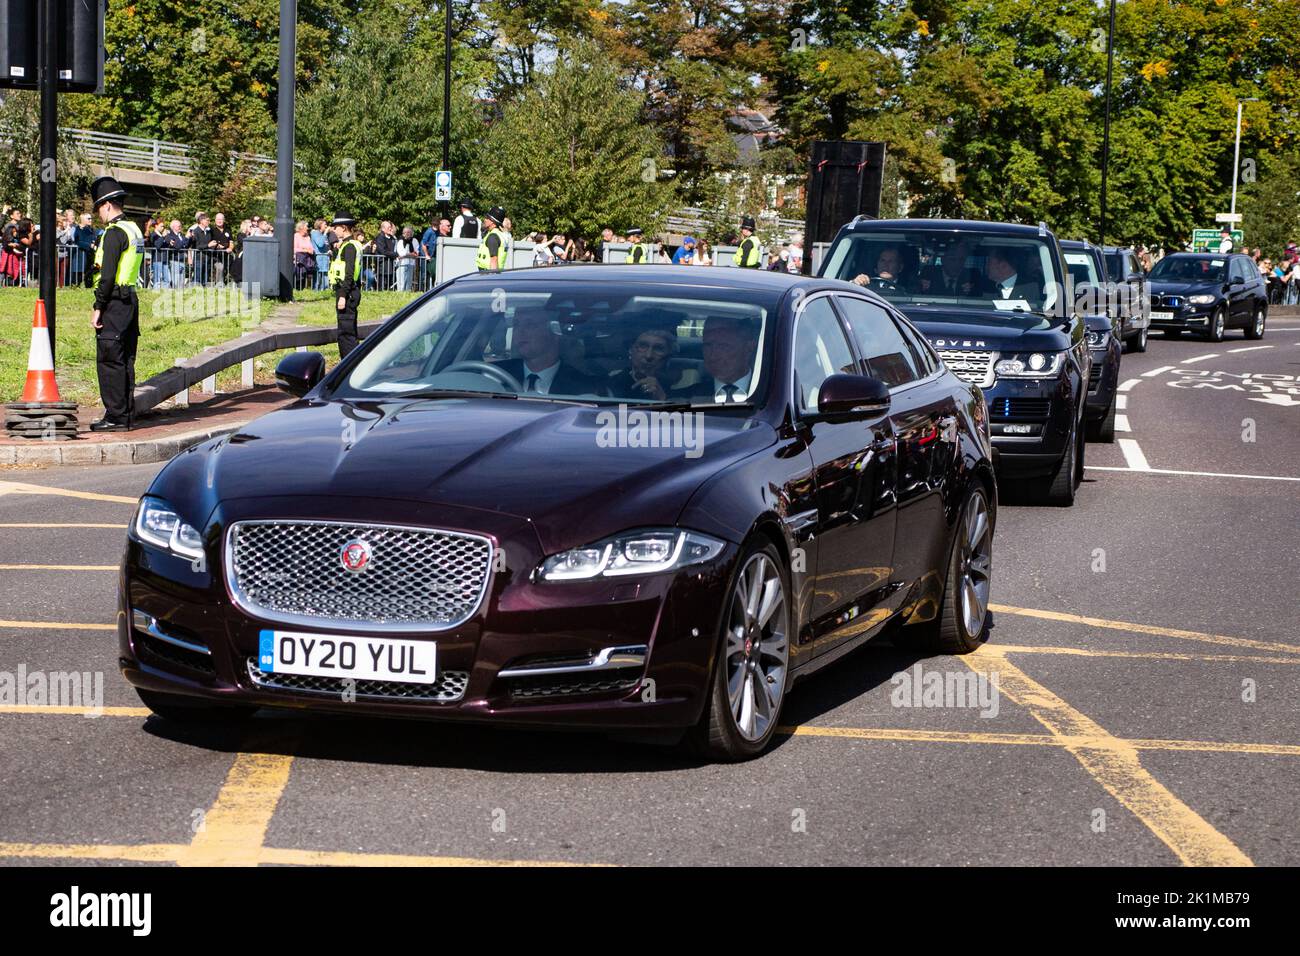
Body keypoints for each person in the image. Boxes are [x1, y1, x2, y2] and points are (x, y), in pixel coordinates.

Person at [88, 176, 144, 431]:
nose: (98, 214)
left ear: (108, 205)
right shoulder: (134, 230)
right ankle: (126, 414)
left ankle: (115, 417)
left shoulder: (113, 234)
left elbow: (107, 275)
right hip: (130, 300)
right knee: (125, 360)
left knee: (110, 360)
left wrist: (98, 306)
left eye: (98, 208)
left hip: (114, 303)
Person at [492, 309, 607, 395]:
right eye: (516, 324)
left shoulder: (585, 387)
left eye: (530, 325)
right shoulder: (493, 374)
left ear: (555, 333)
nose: (519, 332)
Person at [669, 315, 759, 402]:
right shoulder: (683, 399)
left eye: (723, 346)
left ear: (749, 347)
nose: (713, 356)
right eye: (707, 345)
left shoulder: (770, 392)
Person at [327, 212, 364, 358]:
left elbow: (348, 274)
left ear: (343, 227)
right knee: (348, 332)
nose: (334, 230)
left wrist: (342, 295)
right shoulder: (351, 245)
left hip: (347, 293)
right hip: (351, 291)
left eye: (336, 227)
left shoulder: (349, 247)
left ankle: (348, 367)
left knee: (346, 334)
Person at [610, 327, 677, 399]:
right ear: (630, 350)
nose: (648, 355)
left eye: (658, 348)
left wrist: (662, 398)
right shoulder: (611, 383)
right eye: (642, 346)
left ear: (668, 355)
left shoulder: (679, 388)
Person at [475, 206, 508, 272]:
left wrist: (492, 278)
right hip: (488, 274)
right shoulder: (496, 234)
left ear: (493, 222)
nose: (485, 219)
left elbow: (494, 259)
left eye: (487, 218)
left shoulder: (493, 237)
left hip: (488, 274)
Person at [395, 225, 420, 291]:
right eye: (405, 232)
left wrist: (407, 255)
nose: (407, 234)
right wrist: (410, 254)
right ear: (403, 233)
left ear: (412, 233)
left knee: (409, 283)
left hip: (411, 264)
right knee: (401, 283)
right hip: (402, 264)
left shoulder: (415, 241)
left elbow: (416, 253)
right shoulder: (400, 241)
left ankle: (407, 295)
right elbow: (401, 253)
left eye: (409, 232)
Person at [293, 221, 316, 289]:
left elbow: (311, 248)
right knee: (299, 272)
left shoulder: (308, 237)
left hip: (307, 260)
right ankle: (297, 288)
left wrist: (310, 250)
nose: (308, 228)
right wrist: (305, 250)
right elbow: (294, 249)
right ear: (301, 228)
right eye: (306, 226)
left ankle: (302, 288)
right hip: (298, 260)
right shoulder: (296, 236)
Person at [311, 218, 331, 290]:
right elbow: (320, 244)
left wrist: (328, 250)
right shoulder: (315, 233)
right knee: (318, 280)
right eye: (325, 224)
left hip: (325, 260)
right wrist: (325, 233)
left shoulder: (323, 234)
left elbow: (325, 245)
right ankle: (316, 294)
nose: (326, 226)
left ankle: (324, 294)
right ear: (320, 225)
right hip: (319, 260)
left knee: (325, 282)